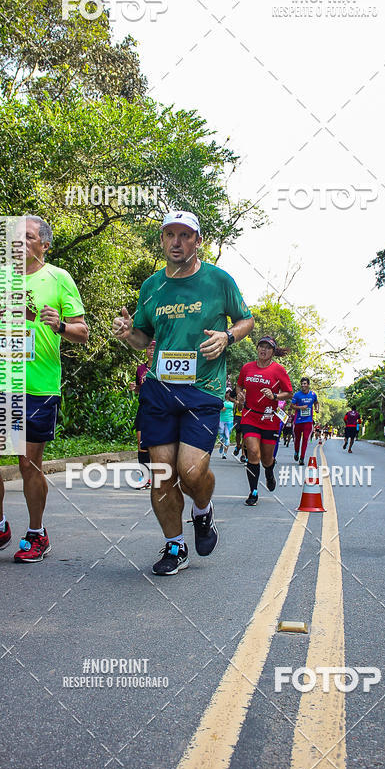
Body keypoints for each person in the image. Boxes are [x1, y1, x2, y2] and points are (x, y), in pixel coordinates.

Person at [112, 210, 254, 575]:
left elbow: (246, 319)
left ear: (198, 241)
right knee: (162, 474)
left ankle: (203, 511)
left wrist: (228, 336)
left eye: (185, 235)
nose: (176, 242)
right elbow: (143, 337)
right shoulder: (151, 286)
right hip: (160, 390)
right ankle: (175, 545)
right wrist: (128, 333)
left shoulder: (218, 280)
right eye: (170, 235)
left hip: (203, 391)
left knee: (190, 472)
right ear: (162, 240)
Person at [0, 216, 88, 565]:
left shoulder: (59, 278)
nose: (18, 243)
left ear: (44, 245)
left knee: (28, 464)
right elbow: (4, 326)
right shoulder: (1, 279)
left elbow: (82, 332)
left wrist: (60, 324)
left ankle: (36, 533)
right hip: (0, 379)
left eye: (28, 237)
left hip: (38, 386)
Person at [236, 337, 293, 506]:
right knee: (253, 452)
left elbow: (288, 393)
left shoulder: (278, 370)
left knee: (266, 459)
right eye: (261, 346)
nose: (263, 350)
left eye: (268, 348)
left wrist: (274, 396)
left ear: (273, 352)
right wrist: (240, 394)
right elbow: (239, 385)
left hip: (269, 418)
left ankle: (269, 471)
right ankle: (253, 491)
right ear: (257, 348)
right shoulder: (247, 368)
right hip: (250, 415)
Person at [130, 339, 156, 488]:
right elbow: (140, 388)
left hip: (158, 410)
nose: (151, 350)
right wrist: (135, 388)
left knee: (157, 446)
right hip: (143, 408)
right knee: (141, 445)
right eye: (149, 348)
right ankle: (145, 478)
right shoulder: (140, 369)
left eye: (154, 348)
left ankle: (160, 476)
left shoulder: (162, 367)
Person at [291, 378, 319, 466]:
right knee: (297, 439)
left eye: (305, 384)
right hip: (298, 421)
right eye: (302, 384)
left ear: (308, 384)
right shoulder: (297, 395)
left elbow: (316, 402)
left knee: (305, 439)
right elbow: (292, 406)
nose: (303, 385)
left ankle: (302, 458)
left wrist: (317, 409)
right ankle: (296, 452)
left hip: (308, 420)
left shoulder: (313, 394)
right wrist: (300, 408)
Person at [218, 390, 234, 459]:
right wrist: (221, 409)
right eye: (227, 392)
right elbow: (218, 409)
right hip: (221, 420)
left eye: (229, 393)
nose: (228, 394)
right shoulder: (221, 401)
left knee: (227, 437)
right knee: (221, 436)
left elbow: (238, 409)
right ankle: (222, 444)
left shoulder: (233, 402)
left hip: (230, 420)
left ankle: (224, 454)